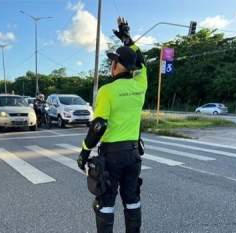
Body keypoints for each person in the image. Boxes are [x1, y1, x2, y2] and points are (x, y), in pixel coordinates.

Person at [77, 17, 147, 233]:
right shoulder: (140, 85)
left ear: (116, 65)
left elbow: (99, 125)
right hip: (134, 154)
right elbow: (141, 61)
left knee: (105, 203)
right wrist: (128, 38)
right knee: (132, 199)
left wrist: (84, 152)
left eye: (112, 61)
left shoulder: (107, 91)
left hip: (112, 157)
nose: (111, 64)